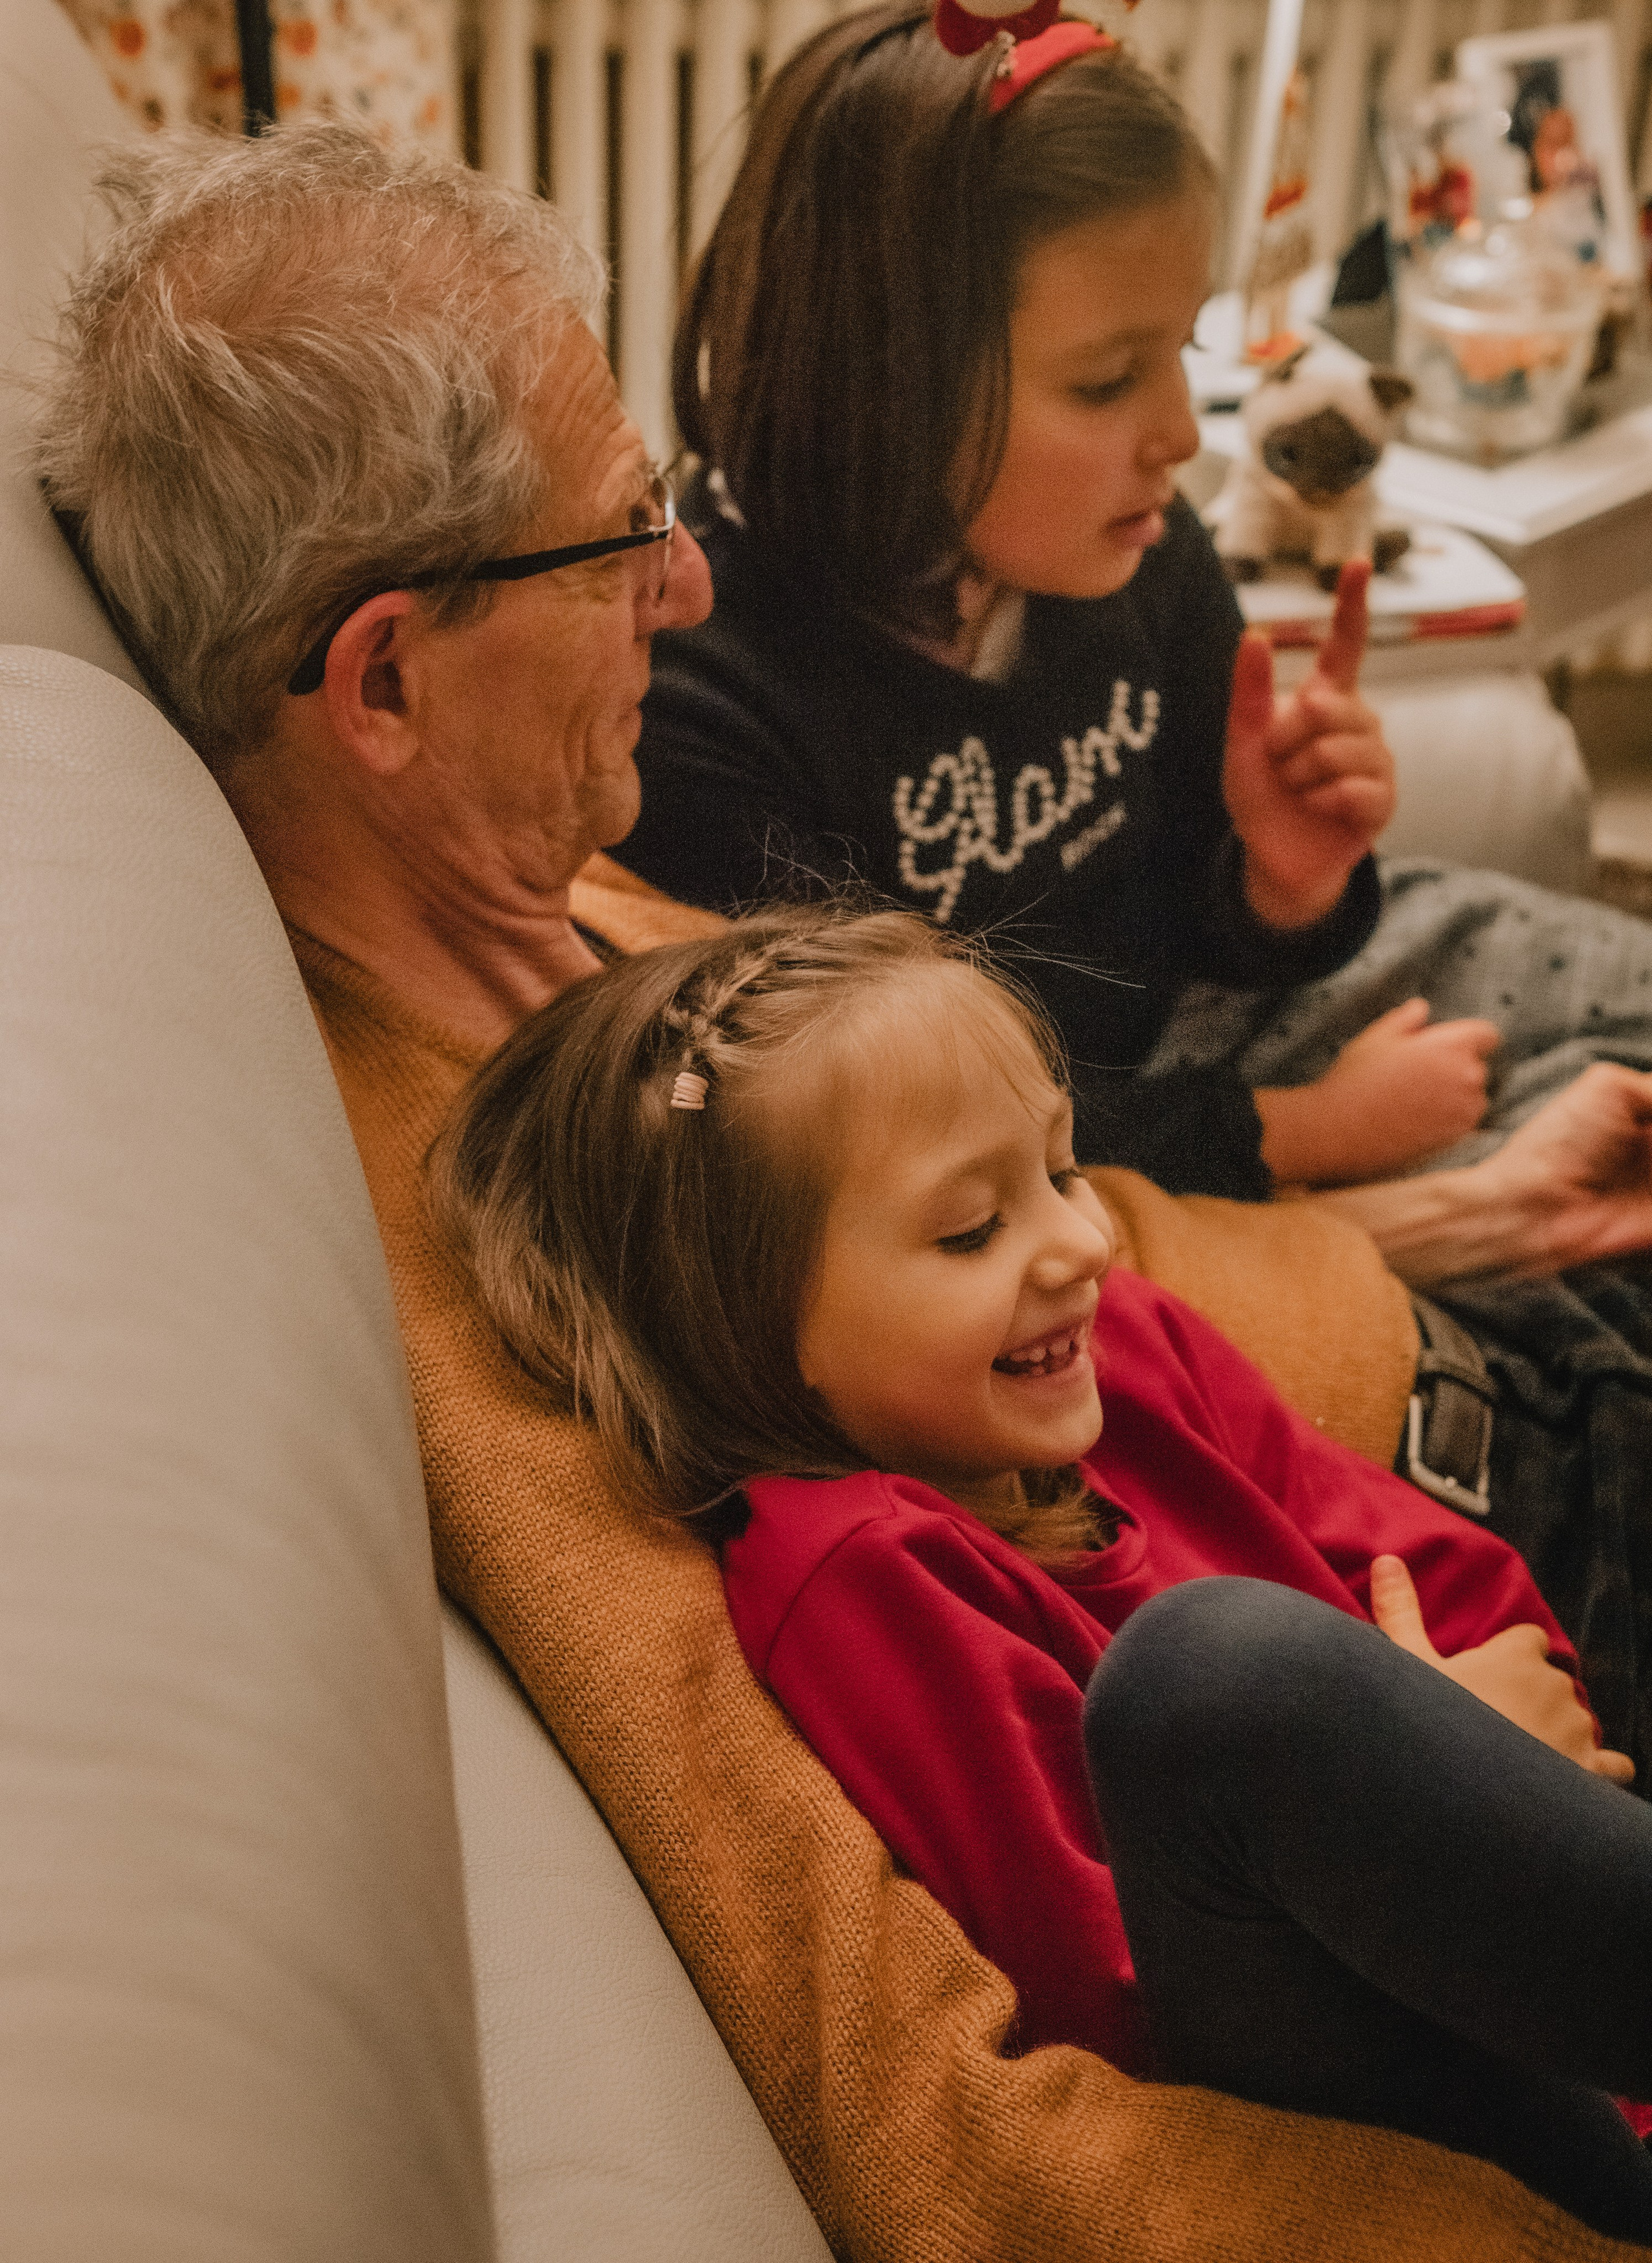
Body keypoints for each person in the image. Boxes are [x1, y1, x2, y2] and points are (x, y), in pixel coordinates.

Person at [32, 116, 1652, 2260]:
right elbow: (934, 2105)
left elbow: (1054, 1196)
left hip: (1408, 1414)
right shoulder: (488, 1283)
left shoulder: (565, 904)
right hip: (1430, 1587)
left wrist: (1456, 1209)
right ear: (388, 679)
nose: (691, 584)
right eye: (619, 534)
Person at [431, 902, 1652, 2239]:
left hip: (1560, 1991)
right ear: (754, 1329)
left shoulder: (1115, 1342)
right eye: (969, 1232)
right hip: (1398, 2097)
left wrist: (1487, 1775)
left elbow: (1448, 1573)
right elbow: (1107, 1995)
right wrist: (1444, 1776)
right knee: (1212, 1679)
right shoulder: (856, 1574)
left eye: (1060, 1173)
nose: (1076, 1245)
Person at [616, 5, 1652, 1215]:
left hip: (1221, 1030)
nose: (1177, 436)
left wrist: (1284, 881)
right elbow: (884, 1127)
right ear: (884, 378)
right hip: (1040, 1162)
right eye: (1107, 380)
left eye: (1186, 348)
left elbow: (1203, 923)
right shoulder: (705, 690)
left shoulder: (1140, 554)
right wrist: (1301, 1133)